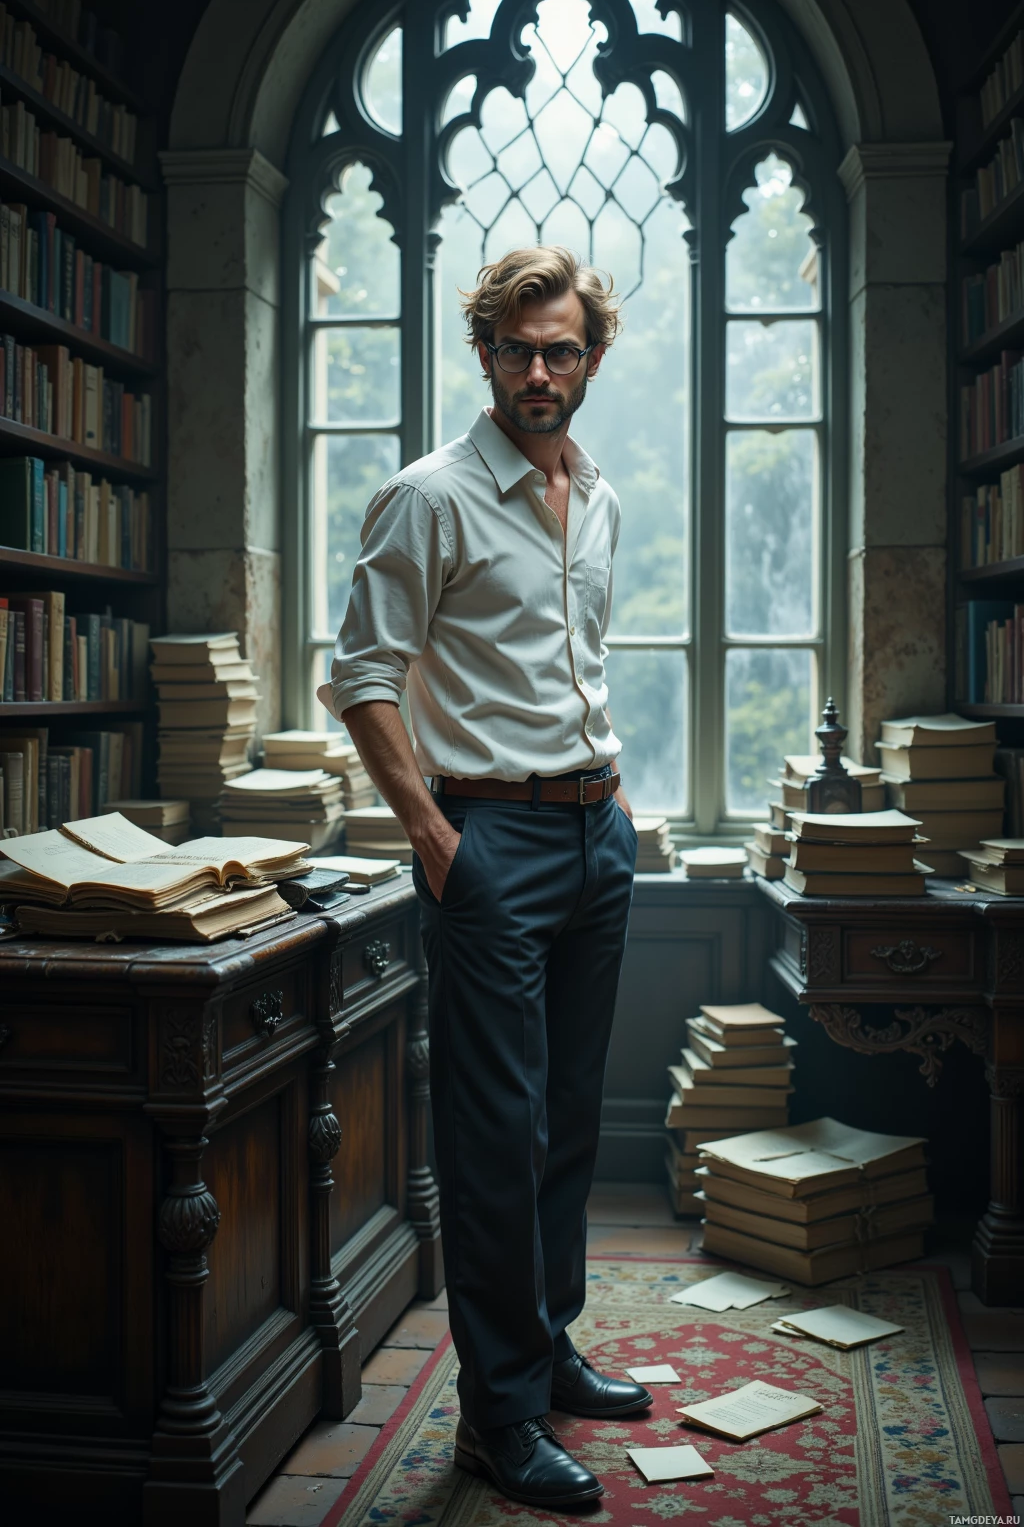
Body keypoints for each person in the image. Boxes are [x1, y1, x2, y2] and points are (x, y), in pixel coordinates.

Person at [319, 244, 647, 1509]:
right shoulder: (429, 497)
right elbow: (362, 675)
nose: (538, 372)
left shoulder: (598, 495)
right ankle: (497, 1419)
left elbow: (578, 665)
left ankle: (548, 1351)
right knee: (496, 1135)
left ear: (591, 357)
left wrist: (615, 803)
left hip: (596, 835)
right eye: (516, 350)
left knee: (565, 1117)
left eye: (560, 349)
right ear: (485, 356)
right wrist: (435, 839)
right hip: (488, 843)